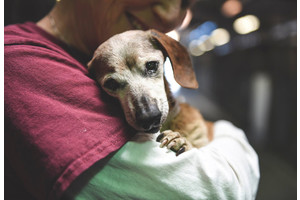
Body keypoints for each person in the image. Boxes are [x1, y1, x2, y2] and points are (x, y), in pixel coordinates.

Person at [4, 0, 260, 199]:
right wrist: (231, 135)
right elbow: (215, 191)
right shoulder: (16, 63)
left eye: (184, 2)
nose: (171, 13)